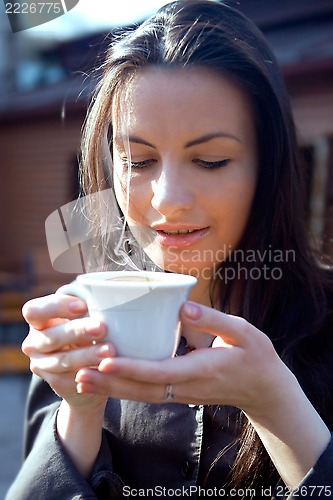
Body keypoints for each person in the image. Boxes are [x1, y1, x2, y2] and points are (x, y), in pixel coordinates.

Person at [7, 1, 333, 498]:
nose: (169, 201)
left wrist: (275, 404)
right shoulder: (83, 327)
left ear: (267, 167)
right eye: (138, 161)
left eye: (210, 160)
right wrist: (80, 410)